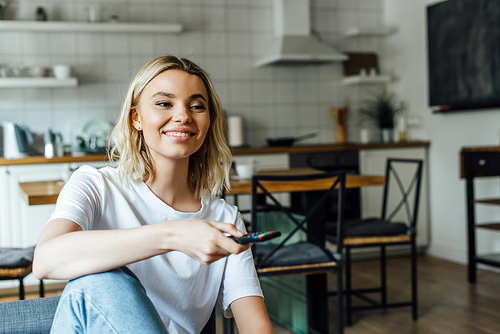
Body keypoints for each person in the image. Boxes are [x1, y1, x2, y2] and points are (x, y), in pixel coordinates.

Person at [33, 55, 274, 334]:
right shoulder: (95, 186)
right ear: (136, 118)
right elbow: (45, 261)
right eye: (164, 103)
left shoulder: (224, 218)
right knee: (102, 282)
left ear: (208, 122)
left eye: (197, 106)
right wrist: (173, 235)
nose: (183, 115)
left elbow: (256, 326)